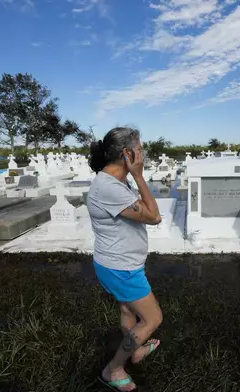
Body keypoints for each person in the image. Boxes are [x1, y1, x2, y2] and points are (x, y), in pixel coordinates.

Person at [87, 127, 163, 391]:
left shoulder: (115, 180)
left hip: (118, 263)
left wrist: (133, 176)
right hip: (121, 269)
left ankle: (136, 351)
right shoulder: (110, 187)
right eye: (139, 148)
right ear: (127, 154)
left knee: (128, 310)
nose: (143, 152)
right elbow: (154, 217)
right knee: (152, 319)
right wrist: (140, 176)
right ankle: (113, 369)